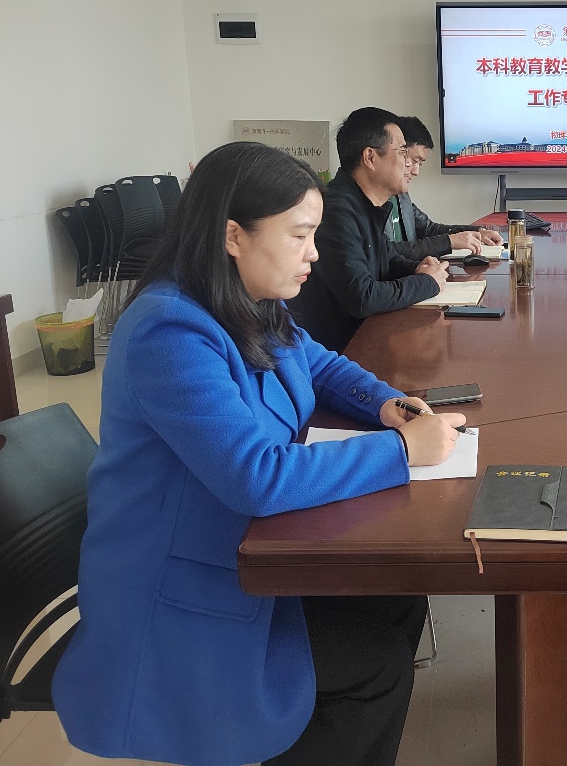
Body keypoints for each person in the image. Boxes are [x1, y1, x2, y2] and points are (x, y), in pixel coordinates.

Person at [51, 142, 463, 766]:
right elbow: (257, 477)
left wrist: (387, 404)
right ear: (233, 235)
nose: (314, 253)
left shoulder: (247, 297)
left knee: (397, 596)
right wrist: (401, 450)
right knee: (376, 665)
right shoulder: (171, 331)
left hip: (243, 547)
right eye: (299, 235)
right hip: (180, 590)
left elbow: (317, 363)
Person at [289, 107, 450, 352]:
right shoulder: (336, 210)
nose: (409, 164)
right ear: (370, 157)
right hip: (342, 351)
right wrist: (427, 282)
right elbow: (361, 297)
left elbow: (388, 259)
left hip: (367, 339)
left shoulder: (365, 204)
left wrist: (418, 268)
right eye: (403, 152)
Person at [389, 115, 503, 258]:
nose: (416, 171)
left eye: (420, 163)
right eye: (413, 160)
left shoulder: (400, 196)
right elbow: (386, 253)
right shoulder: (372, 202)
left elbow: (430, 229)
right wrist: (448, 242)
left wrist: (478, 233)